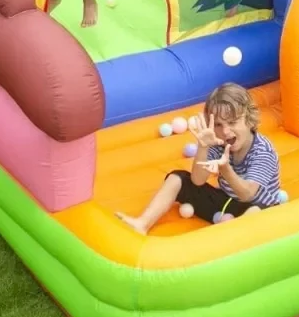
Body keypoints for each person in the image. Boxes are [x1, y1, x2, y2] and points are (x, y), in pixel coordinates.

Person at [116, 83, 281, 234]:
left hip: (258, 208)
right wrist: (203, 146)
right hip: (227, 204)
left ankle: (228, 243)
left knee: (255, 212)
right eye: (218, 124)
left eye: (232, 122)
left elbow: (247, 194)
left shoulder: (262, 151)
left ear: (249, 119)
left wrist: (226, 169)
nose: (225, 131)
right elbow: (197, 180)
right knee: (177, 178)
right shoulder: (219, 142)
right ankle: (142, 224)